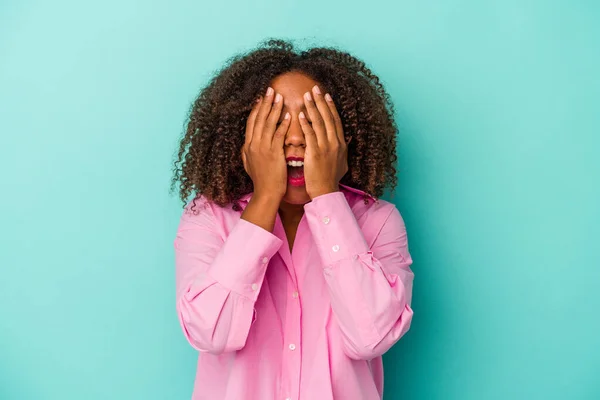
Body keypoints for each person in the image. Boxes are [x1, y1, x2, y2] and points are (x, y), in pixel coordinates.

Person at [171, 38, 415, 400]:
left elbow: (371, 337)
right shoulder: (206, 220)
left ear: (343, 136)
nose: (297, 139)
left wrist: (328, 197)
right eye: (277, 122)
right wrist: (266, 194)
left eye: (313, 122)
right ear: (244, 134)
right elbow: (211, 334)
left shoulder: (379, 222)